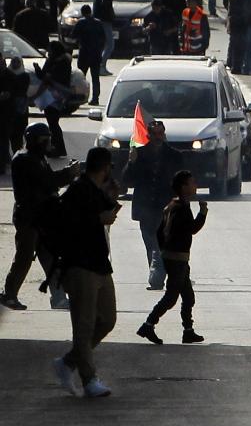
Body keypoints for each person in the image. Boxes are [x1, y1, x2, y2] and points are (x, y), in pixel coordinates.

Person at [53, 147, 121, 399]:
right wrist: (99, 218)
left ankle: (68, 362)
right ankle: (89, 379)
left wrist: (111, 198)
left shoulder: (96, 190)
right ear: (104, 167)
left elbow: (107, 213)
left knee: (107, 319)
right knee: (84, 325)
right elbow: (69, 223)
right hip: (80, 265)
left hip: (100, 264)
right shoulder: (78, 190)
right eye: (109, 167)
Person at [0, 123, 77, 311]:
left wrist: (68, 173)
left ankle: (58, 298)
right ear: (33, 140)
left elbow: (49, 180)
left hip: (43, 216)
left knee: (50, 257)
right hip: (29, 218)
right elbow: (48, 181)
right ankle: (9, 294)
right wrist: (69, 173)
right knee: (25, 257)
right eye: (44, 140)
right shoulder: (24, 159)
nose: (47, 143)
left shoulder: (38, 157)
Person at [137, 170, 207, 346]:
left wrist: (164, 251)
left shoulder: (172, 205)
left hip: (177, 258)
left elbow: (159, 232)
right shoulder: (180, 208)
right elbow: (192, 229)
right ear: (183, 187)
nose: (195, 186)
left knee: (188, 296)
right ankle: (148, 325)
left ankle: (188, 331)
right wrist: (202, 213)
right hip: (177, 259)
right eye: (192, 183)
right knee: (171, 297)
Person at [121, 120, 179, 291]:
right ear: (148, 135)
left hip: (166, 207)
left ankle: (157, 276)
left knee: (161, 244)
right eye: (154, 134)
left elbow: (181, 181)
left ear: (164, 134)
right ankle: (156, 277)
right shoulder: (139, 154)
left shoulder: (174, 155)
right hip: (145, 207)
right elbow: (126, 180)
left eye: (160, 133)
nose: (157, 137)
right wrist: (131, 162)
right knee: (151, 244)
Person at [35, 42, 73, 157]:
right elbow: (43, 75)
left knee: (53, 122)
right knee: (52, 122)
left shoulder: (64, 62)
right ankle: (55, 147)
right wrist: (37, 69)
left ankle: (59, 148)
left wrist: (49, 77)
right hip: (48, 95)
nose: (49, 52)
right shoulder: (50, 60)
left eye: (50, 50)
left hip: (58, 95)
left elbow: (59, 78)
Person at [74, 5, 107, 106]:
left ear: (82, 12)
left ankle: (79, 97)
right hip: (96, 53)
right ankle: (95, 98)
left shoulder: (81, 22)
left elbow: (73, 35)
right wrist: (100, 49)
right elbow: (103, 38)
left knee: (80, 77)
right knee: (95, 77)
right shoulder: (98, 22)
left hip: (84, 53)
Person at [93, 0, 117, 75]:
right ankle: (101, 66)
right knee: (110, 45)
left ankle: (101, 66)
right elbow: (106, 6)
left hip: (100, 21)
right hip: (105, 21)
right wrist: (111, 16)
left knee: (105, 45)